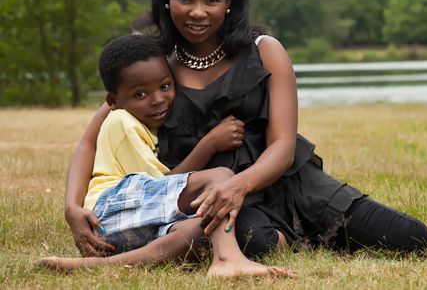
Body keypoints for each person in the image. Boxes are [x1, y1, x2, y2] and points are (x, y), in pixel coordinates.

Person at [65, 0, 427, 261]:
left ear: (230, 2)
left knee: (413, 238)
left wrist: (238, 184)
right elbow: (89, 140)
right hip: (215, 203)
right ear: (165, 0)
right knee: (254, 243)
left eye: (211, 0)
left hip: (288, 184)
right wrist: (72, 206)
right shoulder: (153, 68)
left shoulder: (265, 52)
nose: (197, 12)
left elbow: (284, 146)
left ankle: (303, 232)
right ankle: (287, 240)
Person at [36, 34, 292, 277]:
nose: (158, 100)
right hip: (108, 209)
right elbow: (164, 183)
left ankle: (104, 265)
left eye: (165, 86)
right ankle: (227, 259)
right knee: (221, 177)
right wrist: (209, 144)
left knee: (204, 225)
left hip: (130, 221)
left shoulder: (139, 122)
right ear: (112, 100)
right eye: (140, 94)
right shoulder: (121, 123)